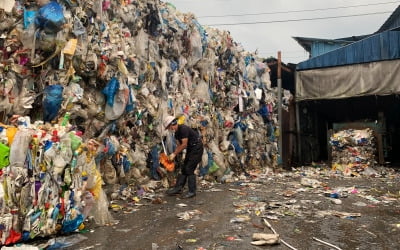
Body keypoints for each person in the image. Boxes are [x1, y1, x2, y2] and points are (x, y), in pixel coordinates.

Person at [163, 115, 204, 198]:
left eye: (168, 127)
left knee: (189, 168)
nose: (169, 129)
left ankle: (192, 191)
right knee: (184, 167)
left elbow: (184, 144)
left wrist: (174, 154)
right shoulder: (176, 133)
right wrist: (175, 156)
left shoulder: (183, 129)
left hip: (197, 147)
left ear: (172, 125)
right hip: (191, 148)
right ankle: (178, 188)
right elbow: (179, 145)